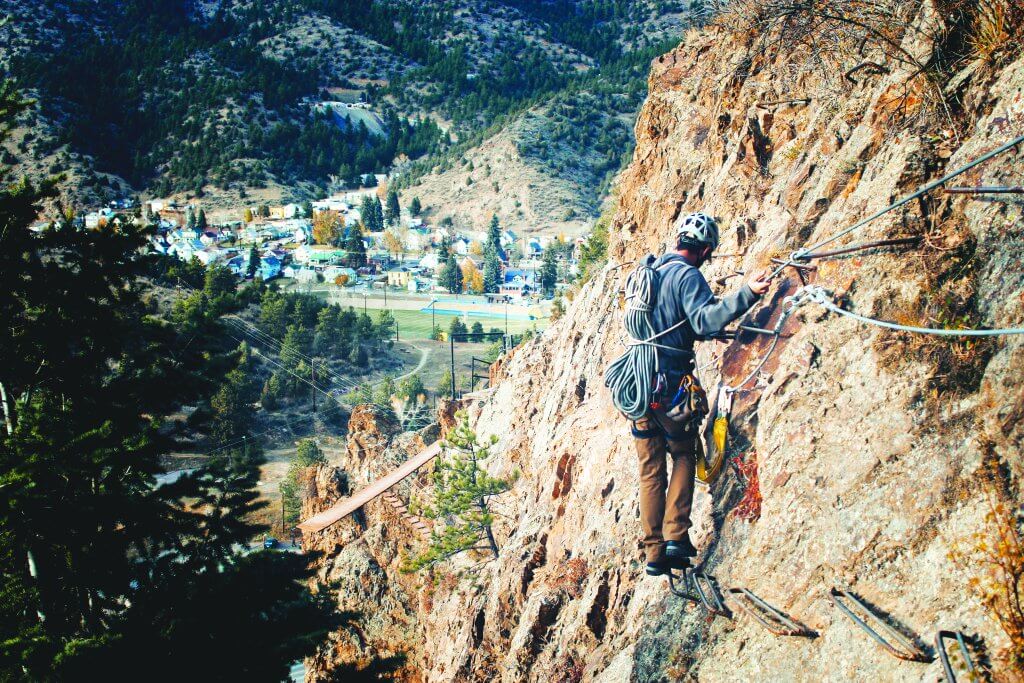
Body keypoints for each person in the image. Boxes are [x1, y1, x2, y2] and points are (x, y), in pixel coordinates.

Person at [636, 212, 771, 576]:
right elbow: (702, 319)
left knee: (650, 470)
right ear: (706, 249)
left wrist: (703, 334)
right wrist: (748, 294)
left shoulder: (652, 272)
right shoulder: (687, 275)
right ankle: (676, 537)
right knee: (683, 452)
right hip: (668, 387)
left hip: (637, 386)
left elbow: (670, 322)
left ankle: (653, 553)